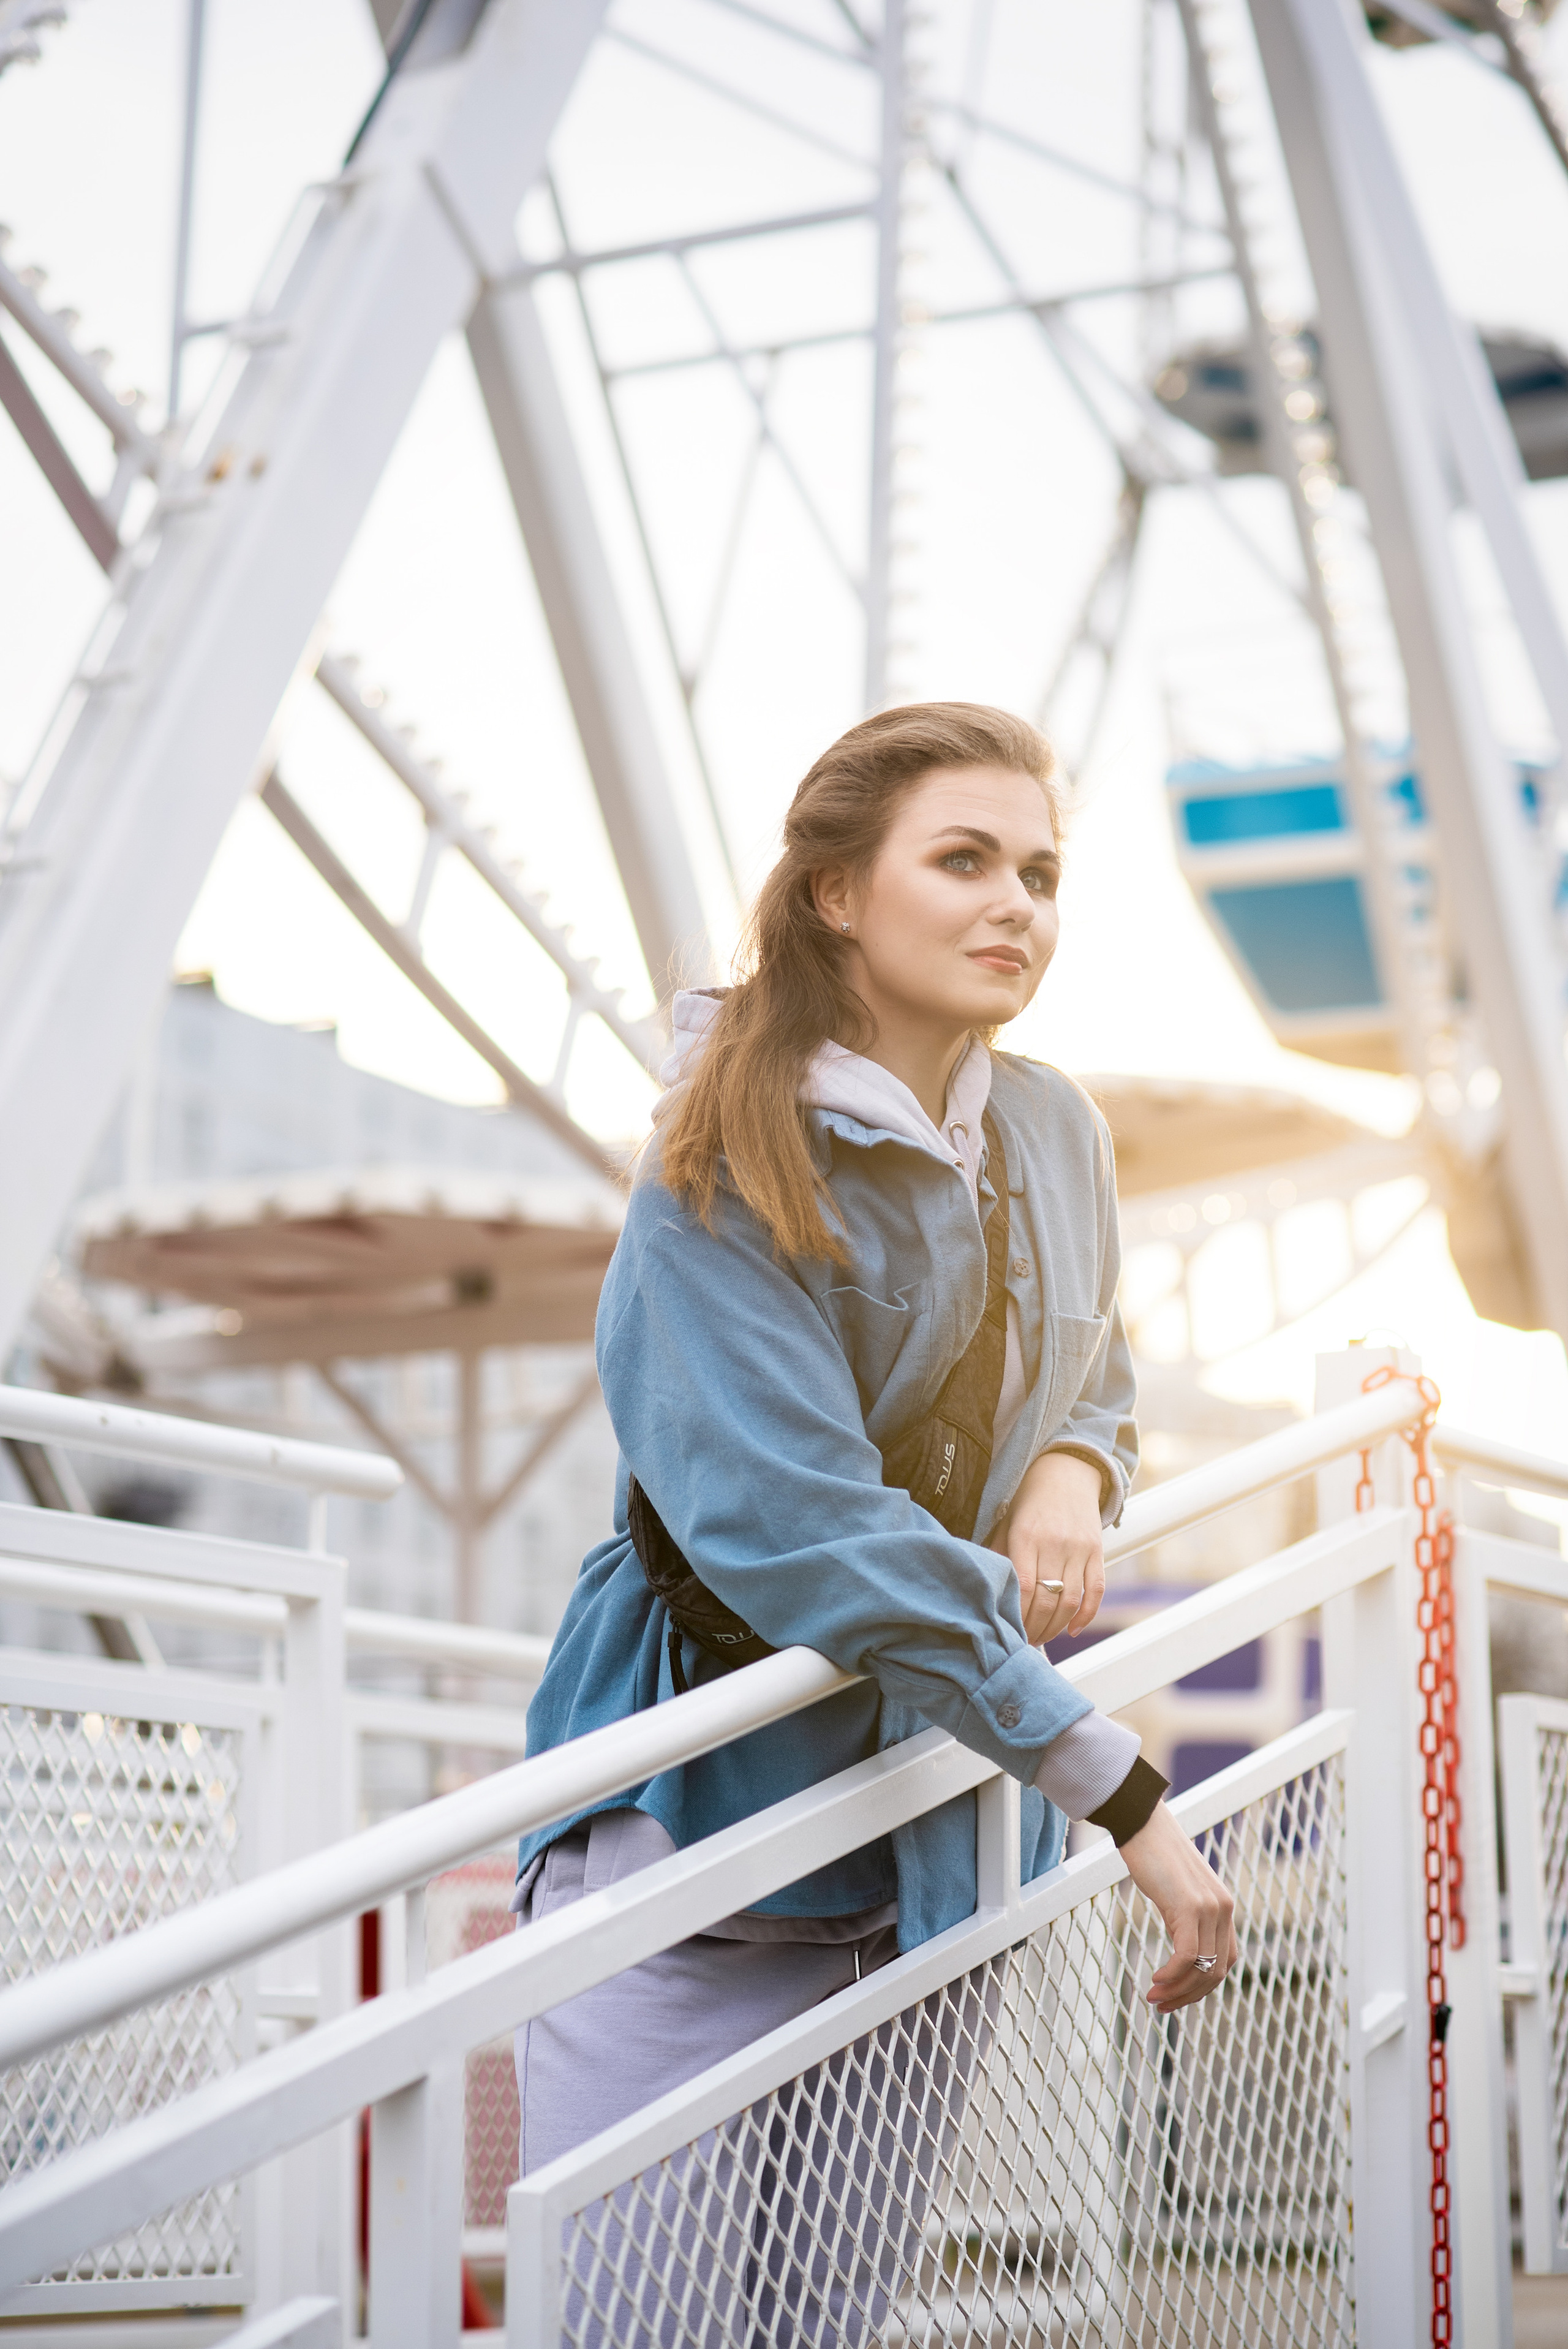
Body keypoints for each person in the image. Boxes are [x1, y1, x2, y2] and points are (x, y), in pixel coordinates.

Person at [511, 703, 1238, 2319]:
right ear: (838, 888)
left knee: (823, 2324)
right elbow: (801, 1528)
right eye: (965, 859)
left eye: (1041, 872)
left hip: (917, 1840)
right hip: (688, 1831)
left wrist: (1074, 1466)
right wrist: (1118, 1786)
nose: (1018, 907)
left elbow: (1093, 1356)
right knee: (646, 2322)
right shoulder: (716, 1166)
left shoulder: (1051, 1128)